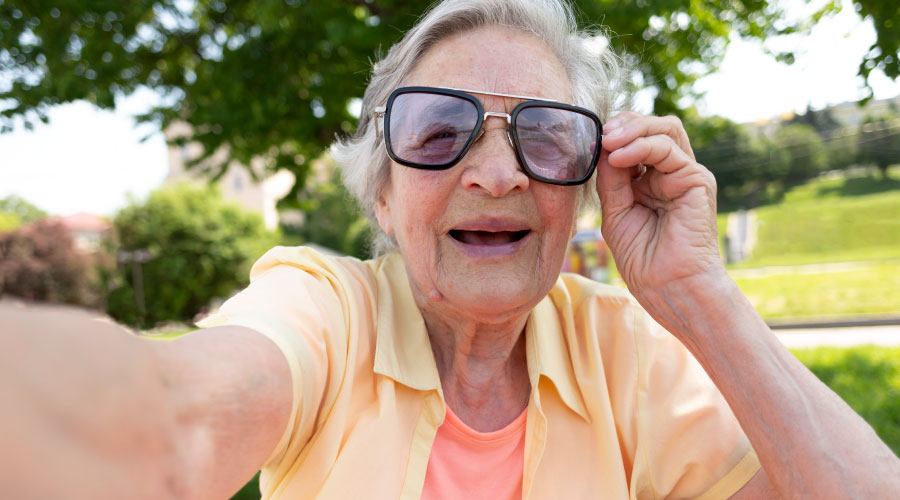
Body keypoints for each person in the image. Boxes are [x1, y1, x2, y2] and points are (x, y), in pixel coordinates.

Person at [3, 0, 899, 499]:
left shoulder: (623, 352)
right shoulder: (325, 310)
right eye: (438, 130)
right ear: (384, 198)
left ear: (586, 186)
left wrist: (700, 295)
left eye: (546, 136)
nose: (497, 173)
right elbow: (175, 415)